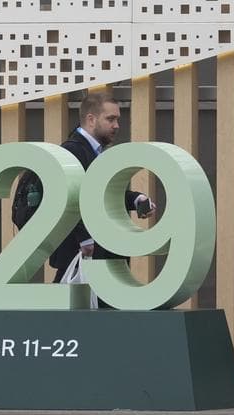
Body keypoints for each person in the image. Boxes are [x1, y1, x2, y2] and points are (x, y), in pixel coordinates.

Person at [35, 93, 154, 283]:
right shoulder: (73, 151)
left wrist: (135, 199)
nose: (116, 125)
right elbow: (68, 199)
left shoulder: (93, 152)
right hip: (83, 251)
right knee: (75, 307)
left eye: (117, 119)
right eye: (110, 119)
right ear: (91, 119)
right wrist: (85, 239)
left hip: (95, 251)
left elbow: (99, 195)